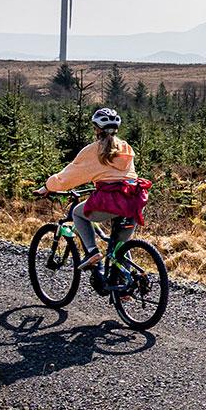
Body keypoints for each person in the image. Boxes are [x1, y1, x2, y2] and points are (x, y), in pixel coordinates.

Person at [40, 107, 143, 288]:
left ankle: (92, 253)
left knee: (79, 213)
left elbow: (68, 177)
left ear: (96, 129)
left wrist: (48, 187)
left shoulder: (94, 150)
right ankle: (124, 288)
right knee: (120, 245)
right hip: (134, 200)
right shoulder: (126, 148)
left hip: (110, 200)